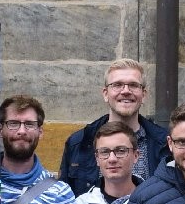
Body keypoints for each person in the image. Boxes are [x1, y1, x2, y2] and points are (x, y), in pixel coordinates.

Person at [59, 58, 170, 195]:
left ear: (144, 94)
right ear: (106, 94)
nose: (125, 91)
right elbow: (64, 200)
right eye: (117, 85)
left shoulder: (165, 144)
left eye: (133, 85)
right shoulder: (79, 142)